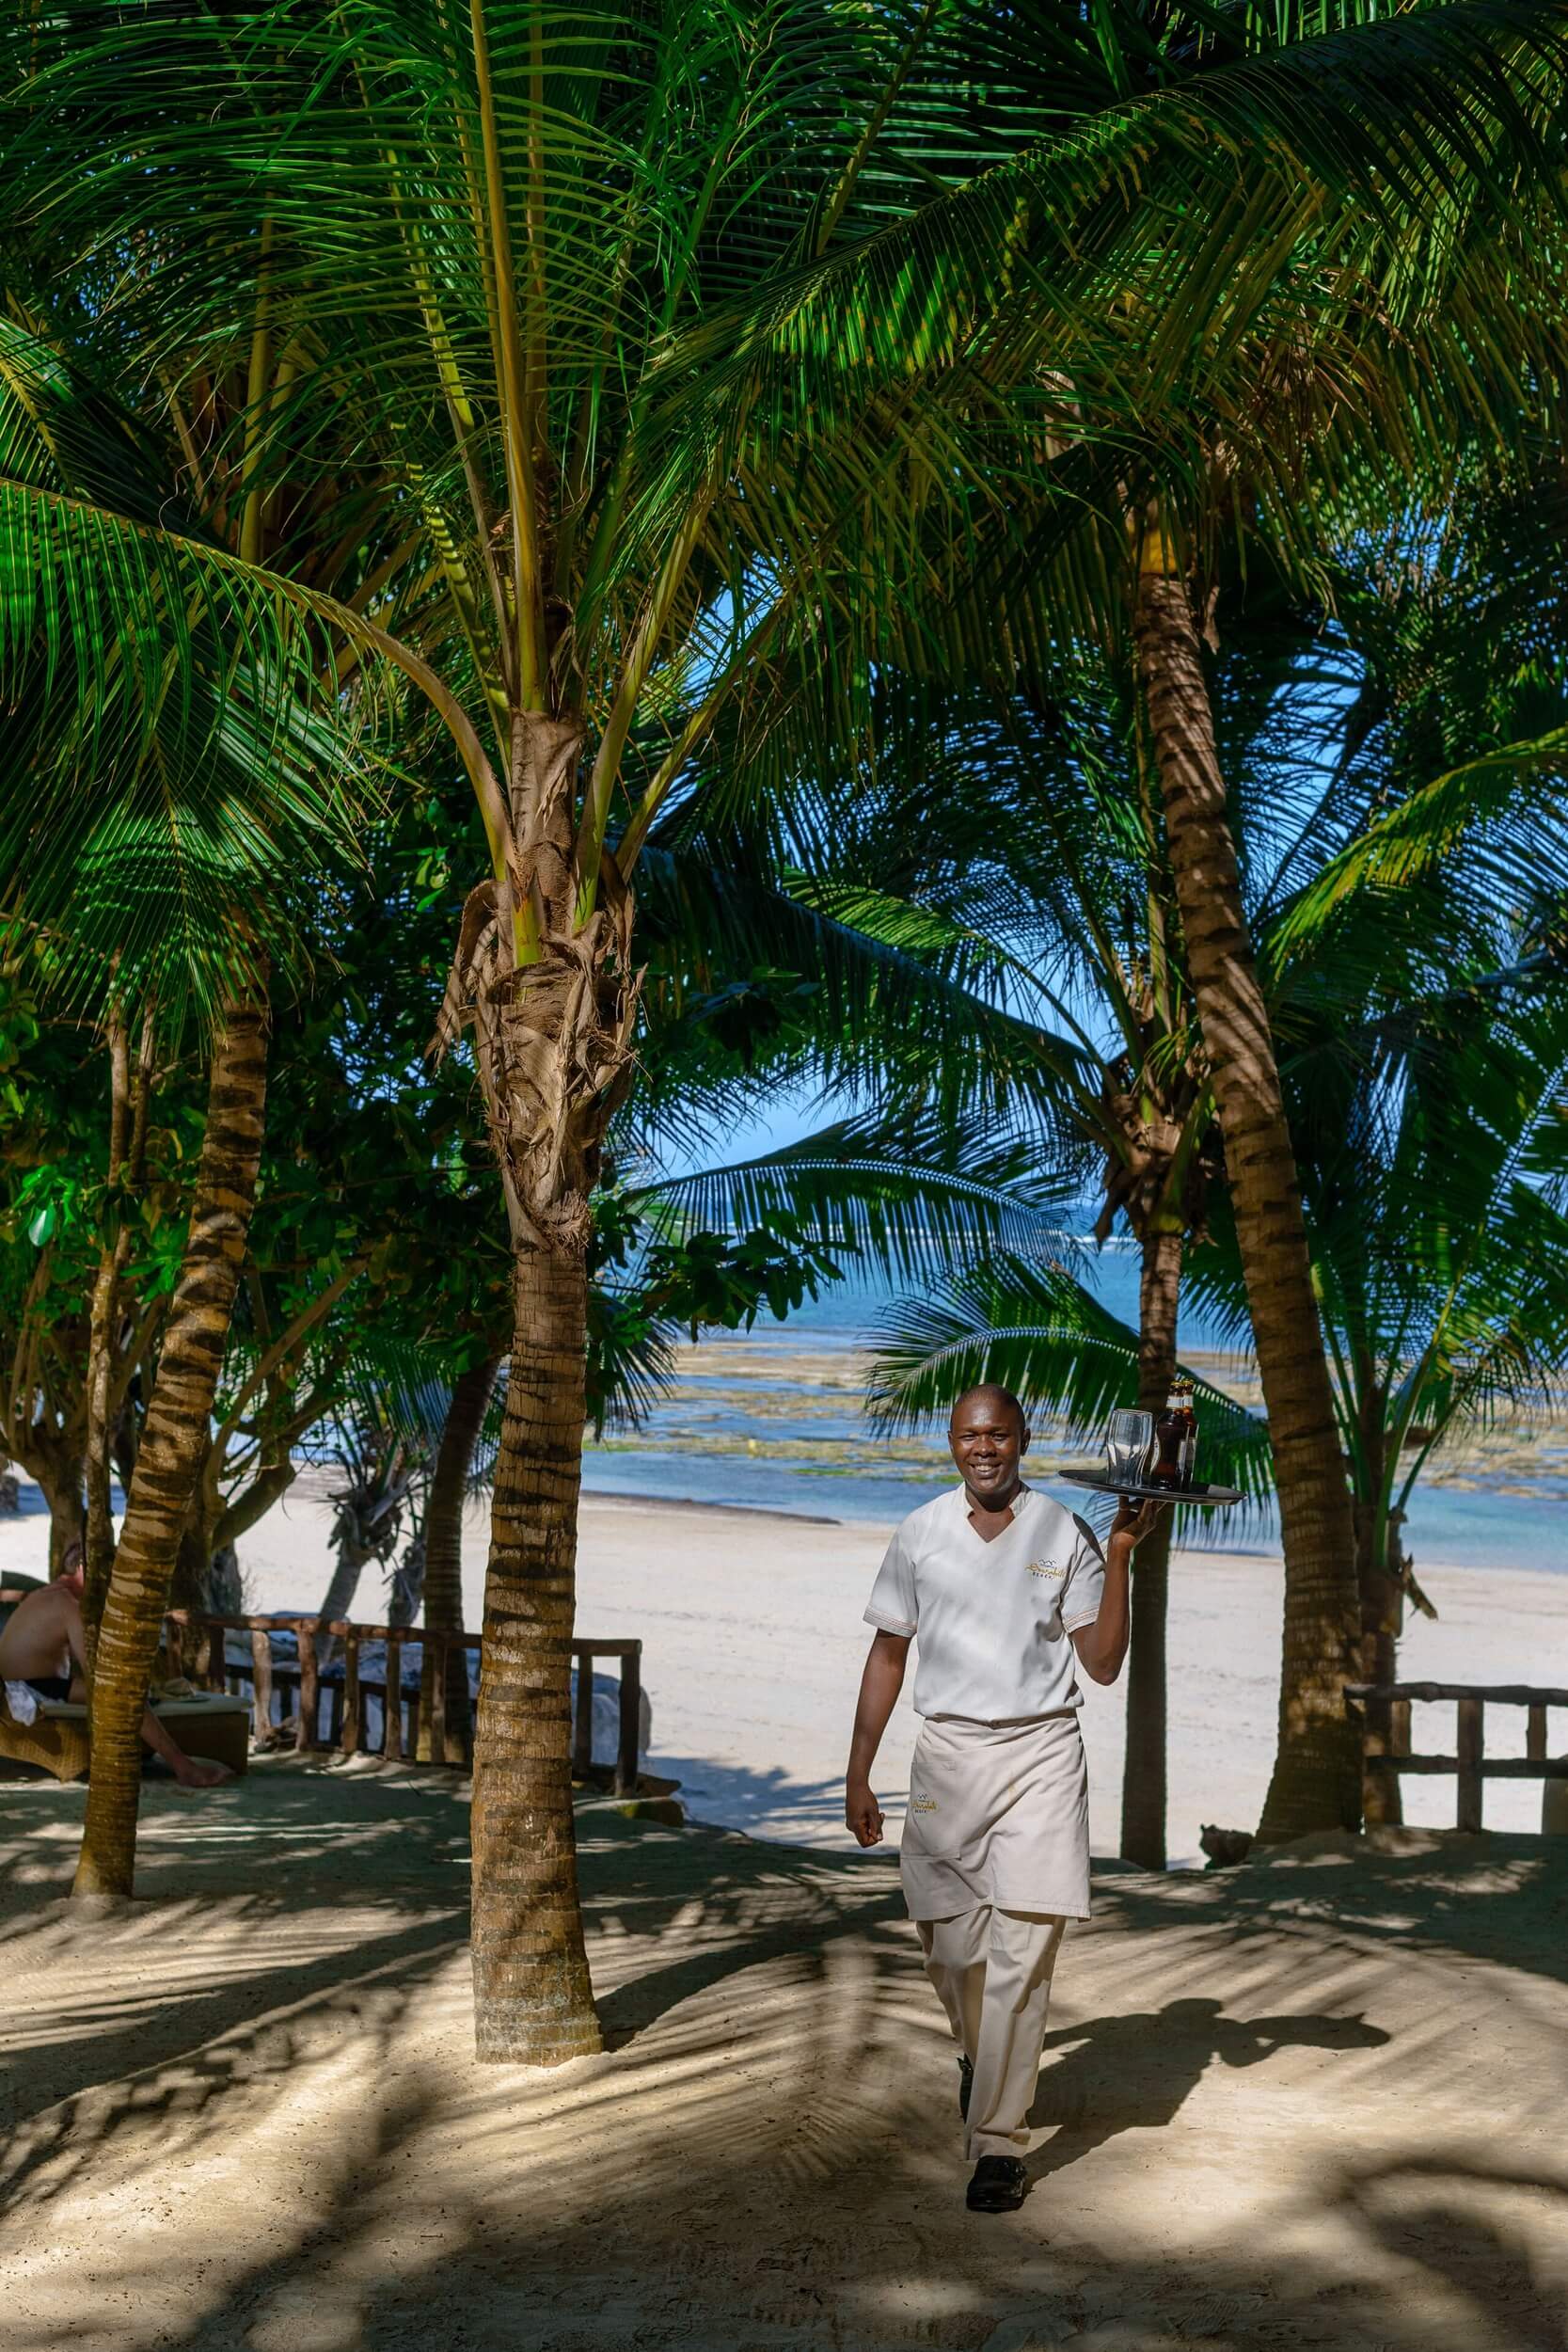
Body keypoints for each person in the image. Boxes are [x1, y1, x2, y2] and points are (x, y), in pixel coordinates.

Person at [844, 1383, 1163, 2214]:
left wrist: (1120, 1553)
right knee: (952, 1951)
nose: (982, 1448)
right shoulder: (920, 1532)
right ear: (951, 1442)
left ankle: (995, 2144)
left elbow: (1102, 1665)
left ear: (1022, 1438)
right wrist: (858, 1770)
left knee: (1021, 1955)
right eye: (966, 1435)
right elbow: (887, 1655)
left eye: (997, 1434)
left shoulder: (1065, 1529)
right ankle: (981, 2059)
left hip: (1041, 1755)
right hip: (946, 1758)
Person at [0, 1540, 231, 1788]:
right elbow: (97, 1671)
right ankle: (183, 1766)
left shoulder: (45, 1595)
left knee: (125, 1690)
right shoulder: (68, 1604)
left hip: (19, 1685)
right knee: (123, 1694)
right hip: (27, 1689)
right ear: (83, 1569)